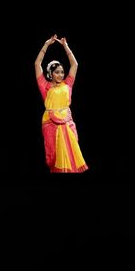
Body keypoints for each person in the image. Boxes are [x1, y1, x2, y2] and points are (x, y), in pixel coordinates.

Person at [34, 34, 88, 173]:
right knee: (54, 157)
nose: (61, 74)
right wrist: (46, 44)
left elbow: (75, 64)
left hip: (67, 123)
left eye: (62, 72)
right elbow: (37, 64)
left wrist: (65, 46)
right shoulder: (44, 86)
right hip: (51, 123)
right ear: (50, 74)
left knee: (72, 155)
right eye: (57, 72)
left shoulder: (68, 84)